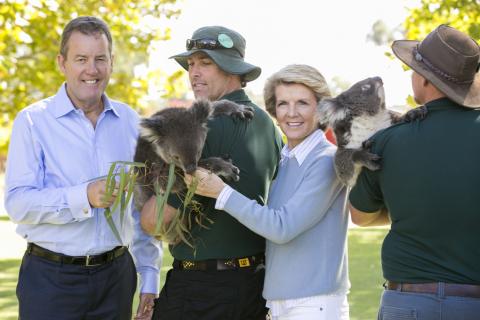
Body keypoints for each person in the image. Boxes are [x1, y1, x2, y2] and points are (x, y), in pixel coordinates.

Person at [4, 16, 161, 320]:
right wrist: (84, 196)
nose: (92, 69)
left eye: (100, 59)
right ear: (62, 63)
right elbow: (19, 204)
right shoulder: (33, 121)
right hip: (50, 281)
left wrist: (149, 277)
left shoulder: (132, 123)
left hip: (117, 279)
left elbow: (142, 210)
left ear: (111, 62)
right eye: (81, 59)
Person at [186, 64, 350, 320]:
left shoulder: (326, 161)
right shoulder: (285, 160)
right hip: (278, 303)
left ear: (321, 108)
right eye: (283, 103)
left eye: (303, 103)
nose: (291, 113)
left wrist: (221, 193)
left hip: (314, 305)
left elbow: (282, 227)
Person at [140, 26, 283, 319]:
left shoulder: (200, 130)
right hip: (254, 287)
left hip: (202, 291)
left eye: (206, 63)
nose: (194, 73)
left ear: (233, 69)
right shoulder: (268, 126)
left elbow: (154, 222)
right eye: (191, 64)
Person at [349, 24, 480, 319]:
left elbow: (360, 215)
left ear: (424, 80)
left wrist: (407, 210)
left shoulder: (386, 141)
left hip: (409, 302)